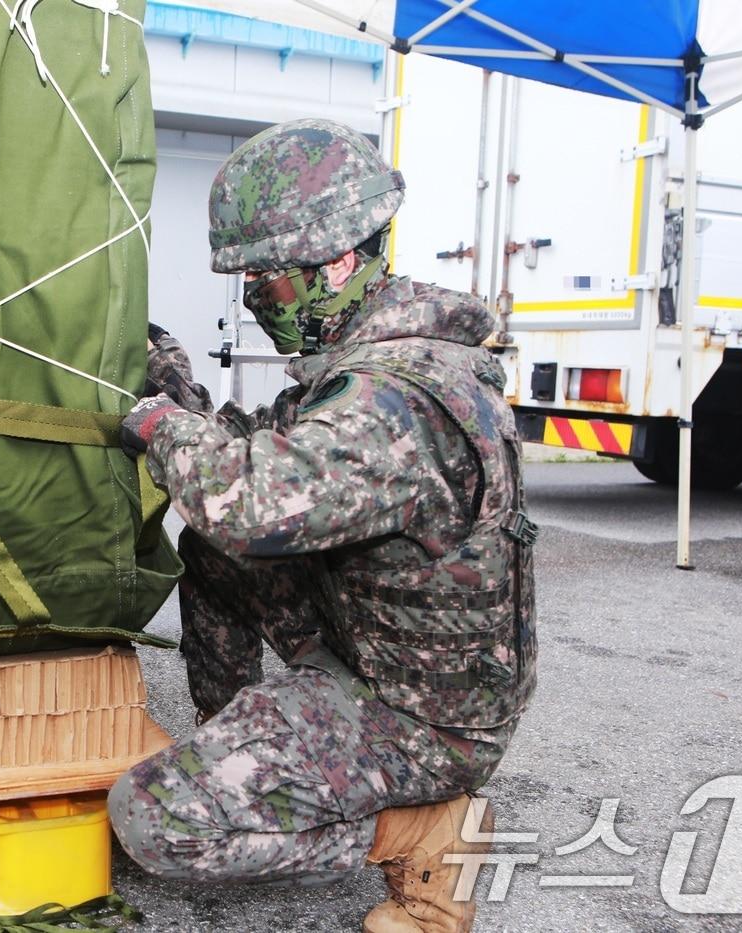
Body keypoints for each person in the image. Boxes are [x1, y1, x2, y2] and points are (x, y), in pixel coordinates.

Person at [108, 119, 538, 933]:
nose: (254, 300)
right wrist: (174, 383)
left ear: (335, 264)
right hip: (379, 652)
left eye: (266, 284)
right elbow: (256, 455)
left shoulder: (398, 396)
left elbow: (252, 501)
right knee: (212, 551)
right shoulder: (368, 363)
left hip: (426, 720)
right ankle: (251, 758)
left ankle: (423, 833)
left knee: (155, 819)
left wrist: (157, 424)